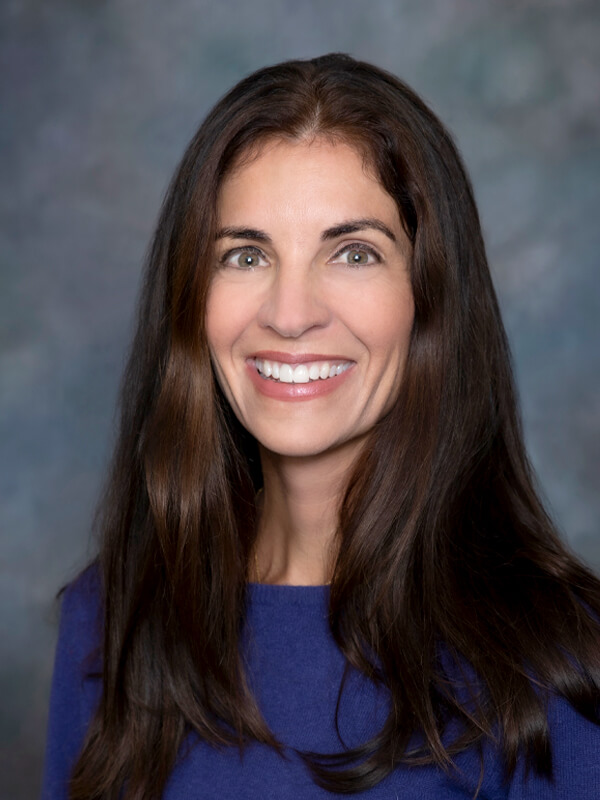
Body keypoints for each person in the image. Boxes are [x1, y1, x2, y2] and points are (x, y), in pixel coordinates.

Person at [41, 53, 600, 800]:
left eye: (354, 253)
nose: (290, 313)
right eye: (245, 255)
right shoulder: (111, 622)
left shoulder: (561, 659)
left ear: (430, 300)